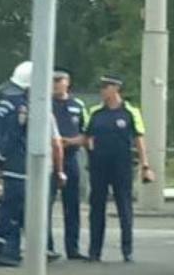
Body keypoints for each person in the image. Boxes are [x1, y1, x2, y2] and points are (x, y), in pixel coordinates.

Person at [0, 61, 66, 267]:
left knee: (10, 209)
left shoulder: (7, 102)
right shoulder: (22, 107)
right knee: (16, 210)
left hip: (12, 164)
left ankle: (1, 250)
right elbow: (12, 135)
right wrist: (3, 157)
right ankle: (6, 252)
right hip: (21, 165)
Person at [85, 75, 154, 263]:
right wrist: (91, 151)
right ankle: (94, 251)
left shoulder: (130, 112)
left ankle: (127, 249)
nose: (102, 90)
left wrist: (145, 164)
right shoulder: (95, 112)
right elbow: (87, 135)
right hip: (99, 166)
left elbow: (139, 138)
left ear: (116, 88)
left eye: (105, 87)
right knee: (96, 207)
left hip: (121, 165)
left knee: (124, 206)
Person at [49, 70, 88, 261]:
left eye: (59, 81)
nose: (56, 84)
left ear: (67, 83)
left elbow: (86, 134)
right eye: (53, 81)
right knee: (45, 204)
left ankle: (72, 248)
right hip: (49, 159)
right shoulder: (45, 104)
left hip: (70, 157)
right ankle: (46, 248)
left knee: (71, 206)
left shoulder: (77, 105)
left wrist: (69, 142)